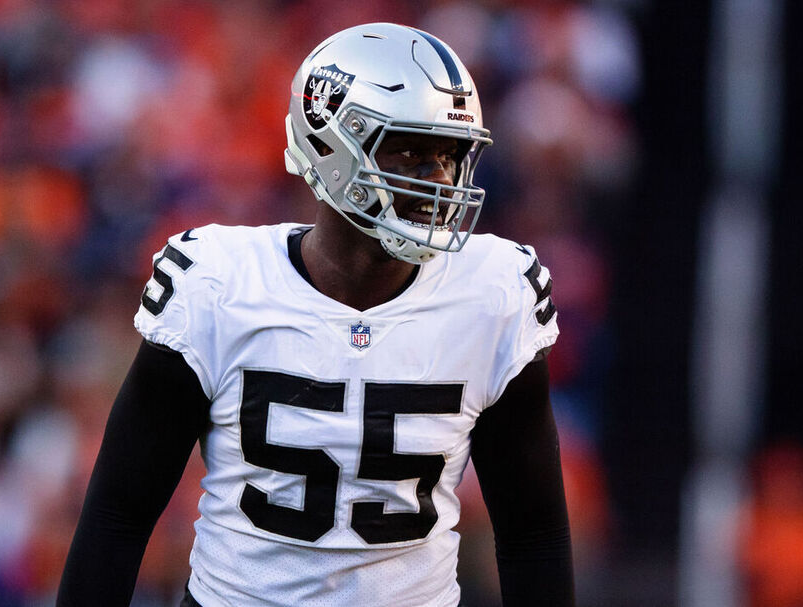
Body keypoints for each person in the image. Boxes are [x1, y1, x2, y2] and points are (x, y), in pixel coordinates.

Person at [58, 23, 574, 606]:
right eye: (409, 150)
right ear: (330, 147)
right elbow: (119, 514)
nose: (438, 178)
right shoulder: (219, 286)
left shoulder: (492, 294)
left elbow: (533, 532)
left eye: (449, 154)